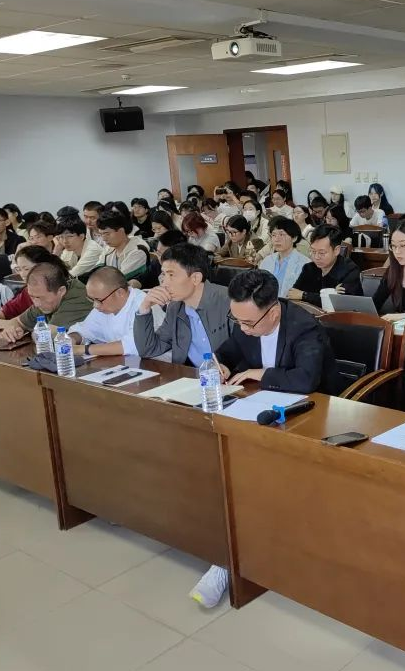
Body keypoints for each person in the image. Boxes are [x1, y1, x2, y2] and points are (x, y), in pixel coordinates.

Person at [189, 268, 341, 608]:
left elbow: (305, 380)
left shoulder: (305, 328)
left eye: (248, 323)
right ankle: (229, 557)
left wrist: (259, 373)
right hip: (263, 413)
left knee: (253, 476)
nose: (243, 328)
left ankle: (230, 562)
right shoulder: (247, 318)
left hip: (313, 417)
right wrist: (221, 365)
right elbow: (228, 350)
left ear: (272, 312)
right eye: (237, 320)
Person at [133, 243, 231, 365]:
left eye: (171, 275)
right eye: (164, 274)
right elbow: (148, 349)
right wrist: (144, 308)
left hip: (231, 375)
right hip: (192, 375)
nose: (164, 283)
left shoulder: (229, 301)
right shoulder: (175, 307)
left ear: (195, 278)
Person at [66, 267, 159, 357]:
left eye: (98, 300)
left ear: (120, 293)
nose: (95, 305)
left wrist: (83, 349)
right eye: (92, 299)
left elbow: (134, 345)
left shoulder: (144, 304)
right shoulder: (103, 306)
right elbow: (84, 330)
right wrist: (71, 339)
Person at [0, 260, 91, 342]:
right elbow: (17, 321)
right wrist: (12, 329)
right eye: (32, 297)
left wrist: (32, 331)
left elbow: (47, 336)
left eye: (39, 297)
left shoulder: (76, 298)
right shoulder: (44, 299)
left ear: (61, 291)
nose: (36, 304)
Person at [0, 245, 58, 331]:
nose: (22, 274)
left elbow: (53, 327)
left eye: (26, 269)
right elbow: (9, 310)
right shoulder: (27, 290)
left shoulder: (56, 289)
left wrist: (8, 324)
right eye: (19, 269)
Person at [290, 225, 362, 306]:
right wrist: (330, 294)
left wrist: (304, 295)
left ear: (336, 250)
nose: (316, 257)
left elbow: (339, 303)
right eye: (313, 251)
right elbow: (292, 294)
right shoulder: (308, 268)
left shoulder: (350, 271)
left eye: (322, 253)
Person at [260, 217, 311, 298]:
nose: (277, 239)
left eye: (281, 234)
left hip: (290, 304)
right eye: (274, 235)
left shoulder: (305, 264)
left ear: (294, 238)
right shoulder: (267, 260)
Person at [97, 211, 149, 282]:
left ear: (121, 231)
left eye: (107, 234)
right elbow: (97, 271)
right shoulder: (109, 248)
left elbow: (119, 279)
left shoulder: (138, 251)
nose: (104, 239)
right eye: (101, 234)